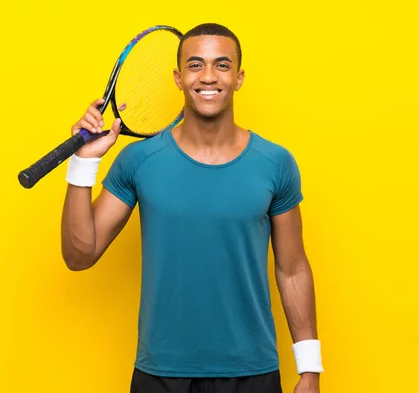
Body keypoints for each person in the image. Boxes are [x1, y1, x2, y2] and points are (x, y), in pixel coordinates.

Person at [60, 23, 324, 393]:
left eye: (222, 65)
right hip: (161, 373)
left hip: (252, 372)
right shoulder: (139, 160)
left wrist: (309, 369)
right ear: (178, 77)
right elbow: (79, 254)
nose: (208, 76)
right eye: (195, 65)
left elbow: (293, 268)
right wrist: (83, 164)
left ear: (238, 78)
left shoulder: (275, 163)